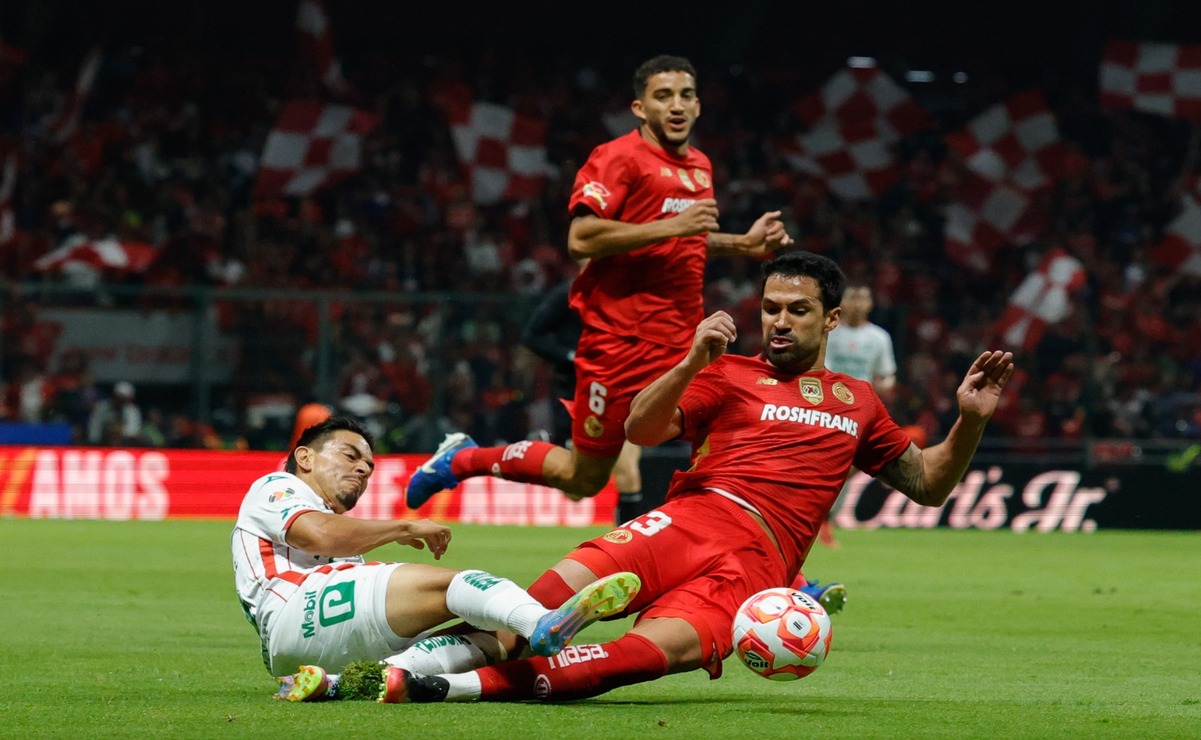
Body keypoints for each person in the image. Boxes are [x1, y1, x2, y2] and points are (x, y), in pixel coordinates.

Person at [358, 250, 1014, 704]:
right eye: (770, 307)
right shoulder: (727, 374)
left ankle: (437, 687)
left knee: (641, 658)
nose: (779, 320)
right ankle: (387, 669)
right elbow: (641, 431)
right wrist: (692, 359)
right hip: (688, 520)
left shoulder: (858, 401)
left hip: (755, 568)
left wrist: (970, 422)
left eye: (797, 310)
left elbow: (928, 484)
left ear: (831, 319)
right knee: (529, 616)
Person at [405, 54, 793, 515]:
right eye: (662, 96)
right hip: (618, 344)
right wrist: (673, 225)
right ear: (639, 107)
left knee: (733, 439)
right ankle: (464, 458)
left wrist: (743, 245)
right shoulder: (618, 157)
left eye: (686, 95)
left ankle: (786, 575)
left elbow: (686, 242)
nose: (676, 105)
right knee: (583, 478)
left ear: (698, 105)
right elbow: (581, 238)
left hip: (684, 341)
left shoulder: (699, 165)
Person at [232, 415, 640, 700]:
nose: (363, 470)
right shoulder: (276, 486)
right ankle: (544, 623)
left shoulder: (331, 522)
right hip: (296, 610)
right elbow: (321, 534)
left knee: (498, 639)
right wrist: (406, 527)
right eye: (350, 456)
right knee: (459, 585)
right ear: (305, 458)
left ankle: (342, 682)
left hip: (298, 651)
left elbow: (333, 538)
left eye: (370, 466)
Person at [521, 277, 645, 524]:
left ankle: (629, 547)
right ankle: (533, 454)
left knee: (628, 473)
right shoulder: (567, 294)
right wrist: (570, 357)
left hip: (622, 391)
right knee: (576, 489)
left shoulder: (632, 294)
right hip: (579, 395)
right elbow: (532, 336)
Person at [817, 282, 899, 547]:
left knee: (845, 469)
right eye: (853, 297)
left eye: (863, 297)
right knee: (828, 467)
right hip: (827, 406)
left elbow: (885, 376)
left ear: (870, 304)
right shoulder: (828, 332)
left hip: (862, 410)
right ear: (843, 301)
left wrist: (886, 386)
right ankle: (820, 521)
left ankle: (824, 519)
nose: (857, 303)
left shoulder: (879, 338)